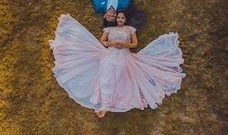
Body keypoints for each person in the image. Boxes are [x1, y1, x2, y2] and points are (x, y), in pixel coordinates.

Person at [48, 13, 186, 118]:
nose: (120, 19)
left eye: (122, 18)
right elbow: (102, 41)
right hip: (109, 53)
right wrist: (112, 44)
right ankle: (105, 104)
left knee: (121, 71)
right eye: (118, 18)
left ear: (125, 19)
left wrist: (125, 45)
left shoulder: (130, 29)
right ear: (116, 19)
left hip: (125, 54)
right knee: (106, 71)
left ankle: (112, 101)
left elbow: (135, 44)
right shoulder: (109, 29)